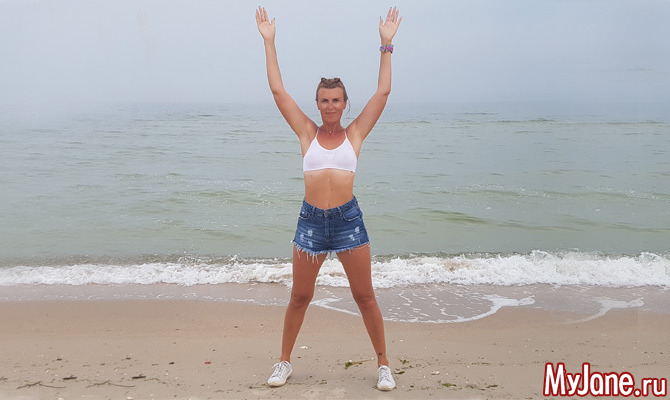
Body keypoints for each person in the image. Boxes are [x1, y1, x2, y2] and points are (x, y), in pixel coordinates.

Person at [254, 6, 402, 391]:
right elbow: (278, 91)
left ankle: (384, 365)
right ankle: (284, 362)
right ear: (317, 104)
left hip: (348, 222)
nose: (331, 106)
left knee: (364, 296)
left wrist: (386, 45)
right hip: (311, 223)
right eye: (324, 100)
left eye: (336, 100)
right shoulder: (307, 133)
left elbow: (383, 92)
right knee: (300, 296)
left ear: (345, 103)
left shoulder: (355, 134)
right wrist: (269, 42)